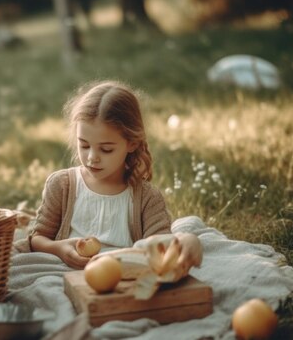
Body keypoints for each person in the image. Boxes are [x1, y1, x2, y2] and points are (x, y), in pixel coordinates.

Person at [29, 80, 201, 272]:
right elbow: (37, 239)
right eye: (84, 145)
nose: (92, 158)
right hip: (65, 274)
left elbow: (163, 247)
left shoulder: (146, 198)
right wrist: (59, 249)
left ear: (132, 144)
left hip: (121, 281)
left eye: (106, 149)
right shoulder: (62, 185)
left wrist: (188, 239)